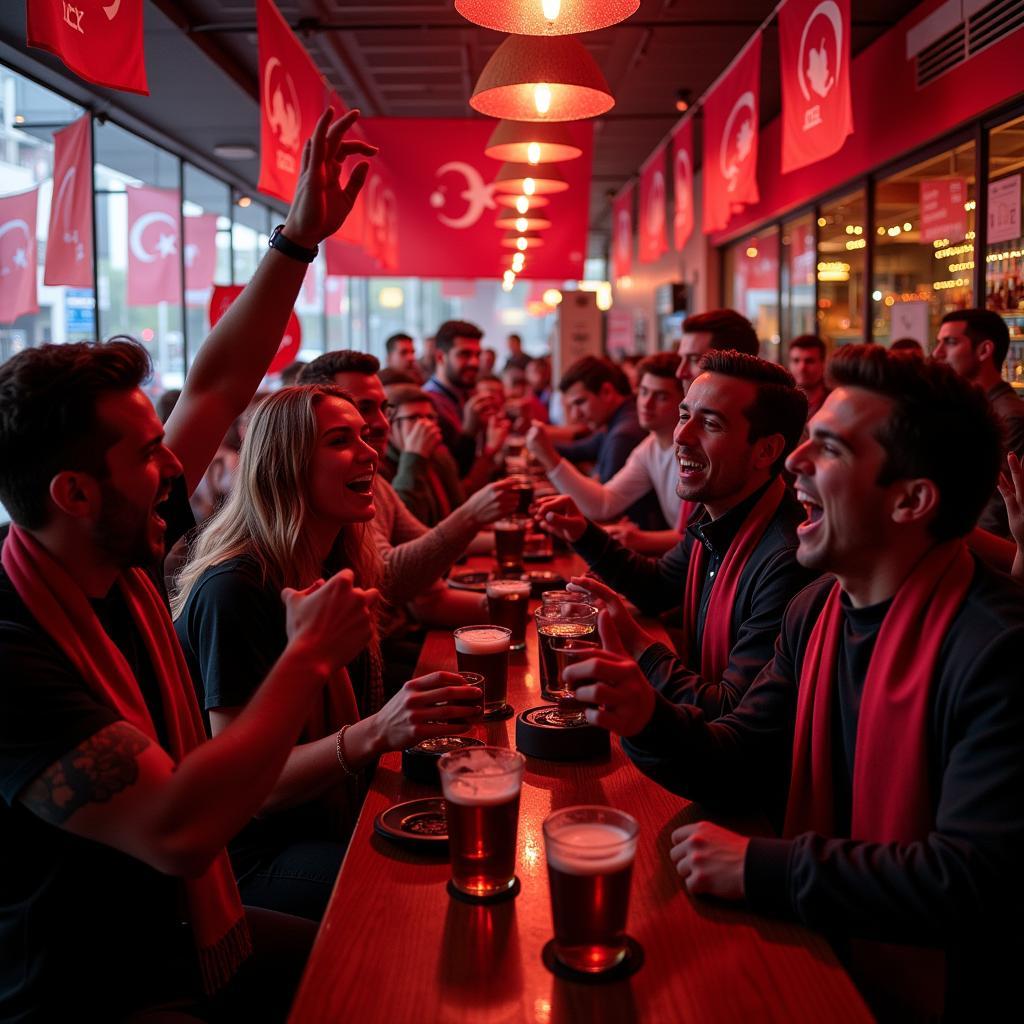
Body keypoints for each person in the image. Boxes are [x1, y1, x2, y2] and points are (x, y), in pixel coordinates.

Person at [0, 103, 380, 1024]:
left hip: (177, 930)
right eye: (146, 454)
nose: (176, 464)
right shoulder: (11, 654)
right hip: (96, 989)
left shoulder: (113, 555)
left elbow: (217, 384)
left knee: (378, 962)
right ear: (75, 493)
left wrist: (295, 242)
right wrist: (304, 660)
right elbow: (177, 831)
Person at [567, 346, 1023, 1019]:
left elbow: (971, 882)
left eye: (829, 449)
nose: (794, 462)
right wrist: (647, 718)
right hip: (816, 951)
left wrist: (763, 867)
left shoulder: (998, 650)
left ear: (912, 500)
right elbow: (744, 759)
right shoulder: (818, 612)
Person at [172, 386, 481, 922]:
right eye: (342, 440)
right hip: (242, 859)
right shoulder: (236, 589)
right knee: (422, 892)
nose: (371, 452)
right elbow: (248, 791)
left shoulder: (335, 560)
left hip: (314, 819)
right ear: (285, 467)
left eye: (366, 436)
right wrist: (379, 731)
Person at [535, 350, 811, 720]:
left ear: (767, 450)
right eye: (684, 416)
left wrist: (635, 643)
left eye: (710, 424)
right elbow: (660, 586)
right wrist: (584, 533)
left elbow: (730, 709)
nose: (682, 435)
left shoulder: (786, 559)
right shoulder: (720, 509)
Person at [298, 351, 517, 629]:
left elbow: (431, 555)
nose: (381, 423)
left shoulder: (379, 480)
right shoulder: (342, 486)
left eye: (384, 408)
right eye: (363, 408)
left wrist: (512, 607)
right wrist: (470, 515)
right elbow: (390, 578)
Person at [527, 352, 683, 554]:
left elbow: (697, 537)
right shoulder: (649, 445)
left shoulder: (627, 434)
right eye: (644, 392)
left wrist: (548, 456)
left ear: (684, 400)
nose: (646, 403)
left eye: (661, 396)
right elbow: (604, 503)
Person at [932, 308, 1024, 537]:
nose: (937, 353)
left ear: (984, 350)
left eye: (950, 342)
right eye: (938, 342)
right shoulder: (967, 409)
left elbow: (995, 514)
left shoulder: (1008, 416)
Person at [381, 384, 470, 528]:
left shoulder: (441, 458)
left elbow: (459, 518)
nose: (425, 425)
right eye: (414, 418)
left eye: (430, 417)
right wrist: (413, 457)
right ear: (390, 426)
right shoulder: (380, 467)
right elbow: (403, 529)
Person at [423, 320, 501, 474]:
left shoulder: (467, 394)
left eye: (477, 354)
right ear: (440, 357)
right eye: (464, 354)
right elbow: (452, 472)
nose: (474, 362)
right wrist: (470, 431)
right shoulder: (426, 404)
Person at [787, 335, 830, 419]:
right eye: (796, 361)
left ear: (823, 363)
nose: (802, 368)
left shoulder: (834, 403)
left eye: (809, 361)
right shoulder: (780, 403)